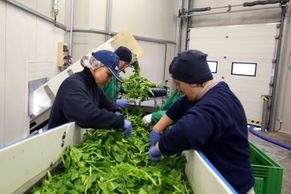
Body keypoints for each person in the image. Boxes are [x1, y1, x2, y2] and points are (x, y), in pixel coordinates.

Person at [148, 50, 255, 194]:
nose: (178, 89)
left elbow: (186, 131)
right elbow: (180, 105)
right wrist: (157, 128)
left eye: (179, 84)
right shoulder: (204, 92)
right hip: (215, 180)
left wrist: (160, 147)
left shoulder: (217, 103)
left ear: (193, 82)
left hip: (232, 186)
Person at [48, 50, 132, 137]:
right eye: (109, 74)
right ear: (96, 65)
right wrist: (118, 122)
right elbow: (86, 115)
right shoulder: (73, 85)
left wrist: (116, 111)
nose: (109, 80)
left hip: (71, 140)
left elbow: (107, 103)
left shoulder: (94, 87)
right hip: (56, 143)